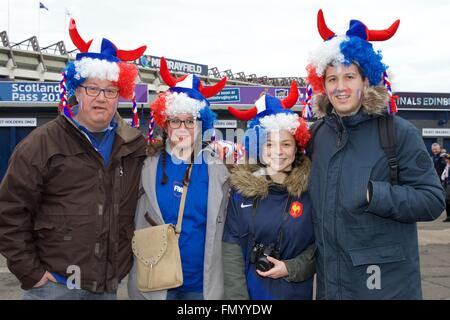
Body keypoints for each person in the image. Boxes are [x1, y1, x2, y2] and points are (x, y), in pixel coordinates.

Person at [0, 19, 147, 300]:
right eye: (92, 88)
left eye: (110, 90)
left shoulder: (134, 146)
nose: (101, 98)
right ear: (77, 91)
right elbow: (10, 211)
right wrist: (30, 273)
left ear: (120, 96)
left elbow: (170, 157)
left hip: (106, 286)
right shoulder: (40, 144)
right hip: (54, 285)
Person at [304, 10, 445, 299]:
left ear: (366, 81)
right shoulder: (317, 135)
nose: (340, 87)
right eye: (332, 79)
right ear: (323, 85)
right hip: (331, 287)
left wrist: (374, 194)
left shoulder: (398, 132)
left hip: (385, 287)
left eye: (350, 77)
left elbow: (432, 200)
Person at [127, 57, 229, 300]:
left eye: (190, 121)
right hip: (155, 282)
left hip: (199, 285)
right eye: (175, 120)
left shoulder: (218, 169)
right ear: (166, 123)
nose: (182, 128)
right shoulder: (144, 165)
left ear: (201, 123)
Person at [222, 82, 316, 300]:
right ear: (258, 148)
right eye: (269, 145)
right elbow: (231, 251)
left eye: (285, 144)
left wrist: (291, 268)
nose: (278, 152)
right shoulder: (241, 192)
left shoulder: (312, 190)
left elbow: (321, 247)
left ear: (296, 147)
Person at [440, 154, 450, 222]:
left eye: (448, 159)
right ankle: (448, 216)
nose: (446, 160)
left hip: (449, 184)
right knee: (447, 201)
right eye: (446, 159)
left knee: (448, 200)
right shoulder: (446, 166)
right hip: (446, 184)